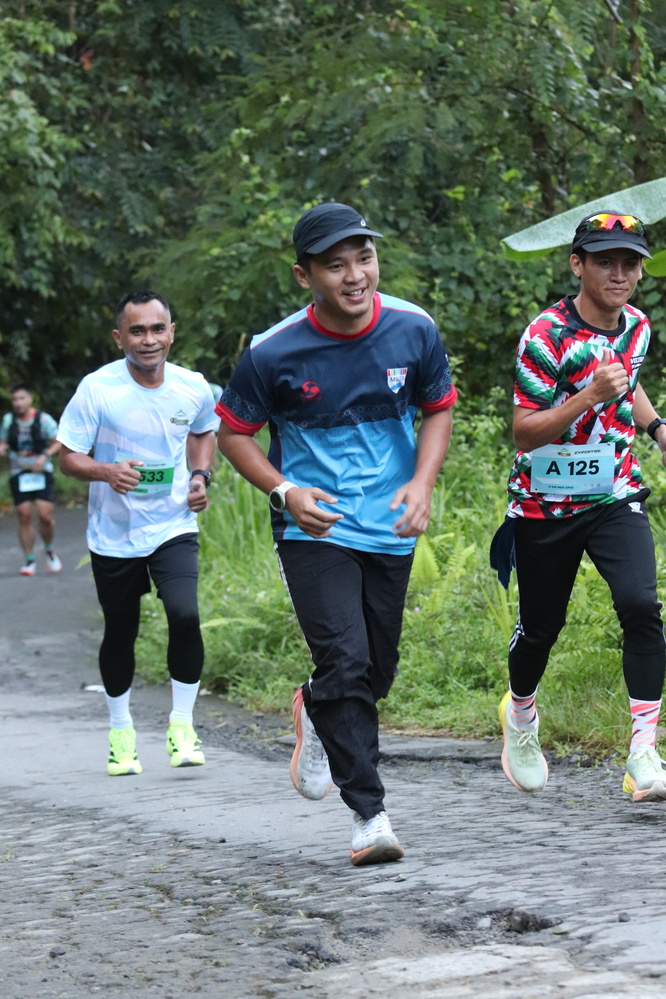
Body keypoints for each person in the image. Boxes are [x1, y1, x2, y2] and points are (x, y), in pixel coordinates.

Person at [217, 202, 457, 866]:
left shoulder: (414, 329)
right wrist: (284, 492)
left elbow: (437, 409)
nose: (355, 275)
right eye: (335, 264)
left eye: (364, 258)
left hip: (391, 526)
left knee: (376, 670)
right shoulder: (273, 351)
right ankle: (369, 815)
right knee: (347, 660)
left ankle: (316, 705)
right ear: (305, 276)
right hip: (314, 530)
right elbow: (233, 434)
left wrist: (422, 483)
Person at [493, 210, 666, 802]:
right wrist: (589, 394)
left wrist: (656, 427)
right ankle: (520, 712)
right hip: (545, 503)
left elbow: (629, 380)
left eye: (629, 263)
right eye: (604, 261)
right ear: (577, 265)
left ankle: (643, 751)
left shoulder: (637, 325)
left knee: (641, 605)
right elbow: (523, 431)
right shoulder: (547, 336)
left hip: (614, 492)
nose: (619, 274)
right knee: (541, 629)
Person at [57, 290, 217, 777]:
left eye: (157, 329)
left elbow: (203, 431)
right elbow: (67, 457)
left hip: (173, 524)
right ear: (119, 337)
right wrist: (106, 472)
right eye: (137, 331)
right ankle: (121, 731)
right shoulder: (97, 389)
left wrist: (200, 476)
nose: (149, 340)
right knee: (121, 630)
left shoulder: (193, 386)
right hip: (113, 533)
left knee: (185, 614)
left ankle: (182, 725)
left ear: (172, 332)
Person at [0, 383, 62, 575]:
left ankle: (49, 549)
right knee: (24, 515)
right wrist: (2, 448)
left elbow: (59, 441)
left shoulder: (44, 419)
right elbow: (3, 441)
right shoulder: (9, 420)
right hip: (19, 473)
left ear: (30, 399)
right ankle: (29, 560)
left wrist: (44, 457)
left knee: (45, 516)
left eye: (22, 398)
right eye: (15, 399)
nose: (18, 403)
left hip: (41, 472)